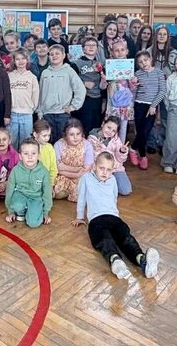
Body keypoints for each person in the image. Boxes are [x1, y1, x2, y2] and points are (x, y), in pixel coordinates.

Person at [72, 152, 160, 280]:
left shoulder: (112, 180)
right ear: (94, 166)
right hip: (96, 220)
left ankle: (142, 260)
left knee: (126, 238)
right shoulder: (86, 178)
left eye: (109, 170)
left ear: (112, 170)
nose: (105, 172)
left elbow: (114, 198)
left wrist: (116, 214)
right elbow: (81, 199)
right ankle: (115, 260)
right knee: (104, 240)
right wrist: (79, 216)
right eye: (102, 168)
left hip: (114, 218)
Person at [38, 44, 86, 143]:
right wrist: (40, 111)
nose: (54, 56)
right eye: (51, 54)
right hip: (47, 114)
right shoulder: (45, 73)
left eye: (57, 53)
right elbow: (40, 93)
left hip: (62, 113)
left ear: (64, 55)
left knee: (63, 141)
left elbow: (80, 89)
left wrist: (73, 106)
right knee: (47, 142)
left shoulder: (69, 71)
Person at [129, 50, 166, 170]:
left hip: (151, 106)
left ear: (150, 59)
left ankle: (132, 148)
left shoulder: (159, 73)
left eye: (145, 60)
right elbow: (134, 92)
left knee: (145, 131)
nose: (143, 63)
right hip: (139, 104)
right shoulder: (137, 74)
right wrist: (133, 85)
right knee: (140, 131)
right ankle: (143, 156)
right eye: (140, 62)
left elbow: (162, 91)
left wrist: (154, 105)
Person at [5, 138, 52, 227]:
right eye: (26, 153)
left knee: (33, 224)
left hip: (36, 198)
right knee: (17, 205)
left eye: (33, 153)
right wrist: (10, 211)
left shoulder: (44, 172)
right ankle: (21, 212)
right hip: (20, 195)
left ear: (38, 155)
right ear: (20, 156)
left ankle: (32, 211)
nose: (30, 157)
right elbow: (9, 190)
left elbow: (47, 193)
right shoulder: (15, 170)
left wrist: (46, 212)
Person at [88, 116, 132, 195]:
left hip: (115, 168)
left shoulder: (116, 140)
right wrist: (97, 150)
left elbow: (121, 160)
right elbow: (90, 159)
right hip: (99, 170)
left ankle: (110, 183)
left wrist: (122, 152)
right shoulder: (91, 139)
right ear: (103, 124)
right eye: (108, 127)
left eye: (113, 131)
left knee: (126, 190)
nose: (110, 132)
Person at [73, 36, 107, 136]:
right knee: (84, 125)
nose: (91, 47)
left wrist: (104, 81)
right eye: (88, 45)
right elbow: (70, 81)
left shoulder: (100, 65)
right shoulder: (76, 64)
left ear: (97, 48)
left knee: (96, 125)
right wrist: (83, 83)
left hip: (97, 99)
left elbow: (103, 87)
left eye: (94, 45)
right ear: (83, 48)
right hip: (85, 98)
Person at [54, 118, 94, 201]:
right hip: (63, 176)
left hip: (82, 176)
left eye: (78, 134)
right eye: (71, 134)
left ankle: (74, 191)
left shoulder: (87, 145)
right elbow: (58, 168)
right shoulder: (58, 144)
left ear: (82, 133)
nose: (75, 137)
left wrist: (64, 168)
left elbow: (86, 169)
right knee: (58, 194)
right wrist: (77, 171)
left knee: (86, 190)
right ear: (65, 135)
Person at [104, 38, 135, 143]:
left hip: (125, 102)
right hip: (113, 101)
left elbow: (132, 88)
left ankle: (121, 146)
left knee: (123, 125)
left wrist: (133, 81)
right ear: (111, 52)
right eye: (116, 50)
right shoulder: (108, 66)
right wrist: (107, 81)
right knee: (111, 124)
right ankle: (109, 146)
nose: (120, 52)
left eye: (122, 50)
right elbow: (103, 86)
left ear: (127, 51)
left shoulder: (129, 67)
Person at [8, 48, 39, 150]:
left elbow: (35, 94)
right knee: (12, 141)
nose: (20, 61)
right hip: (12, 113)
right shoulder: (9, 76)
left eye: (23, 58)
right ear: (14, 61)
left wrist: (32, 108)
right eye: (18, 59)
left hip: (27, 114)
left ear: (27, 60)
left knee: (26, 142)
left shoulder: (32, 77)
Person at [32, 119, 58, 187]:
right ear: (35, 134)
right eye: (44, 136)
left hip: (46, 182)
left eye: (48, 135)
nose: (47, 138)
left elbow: (53, 168)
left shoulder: (50, 148)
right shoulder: (28, 147)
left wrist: (50, 184)